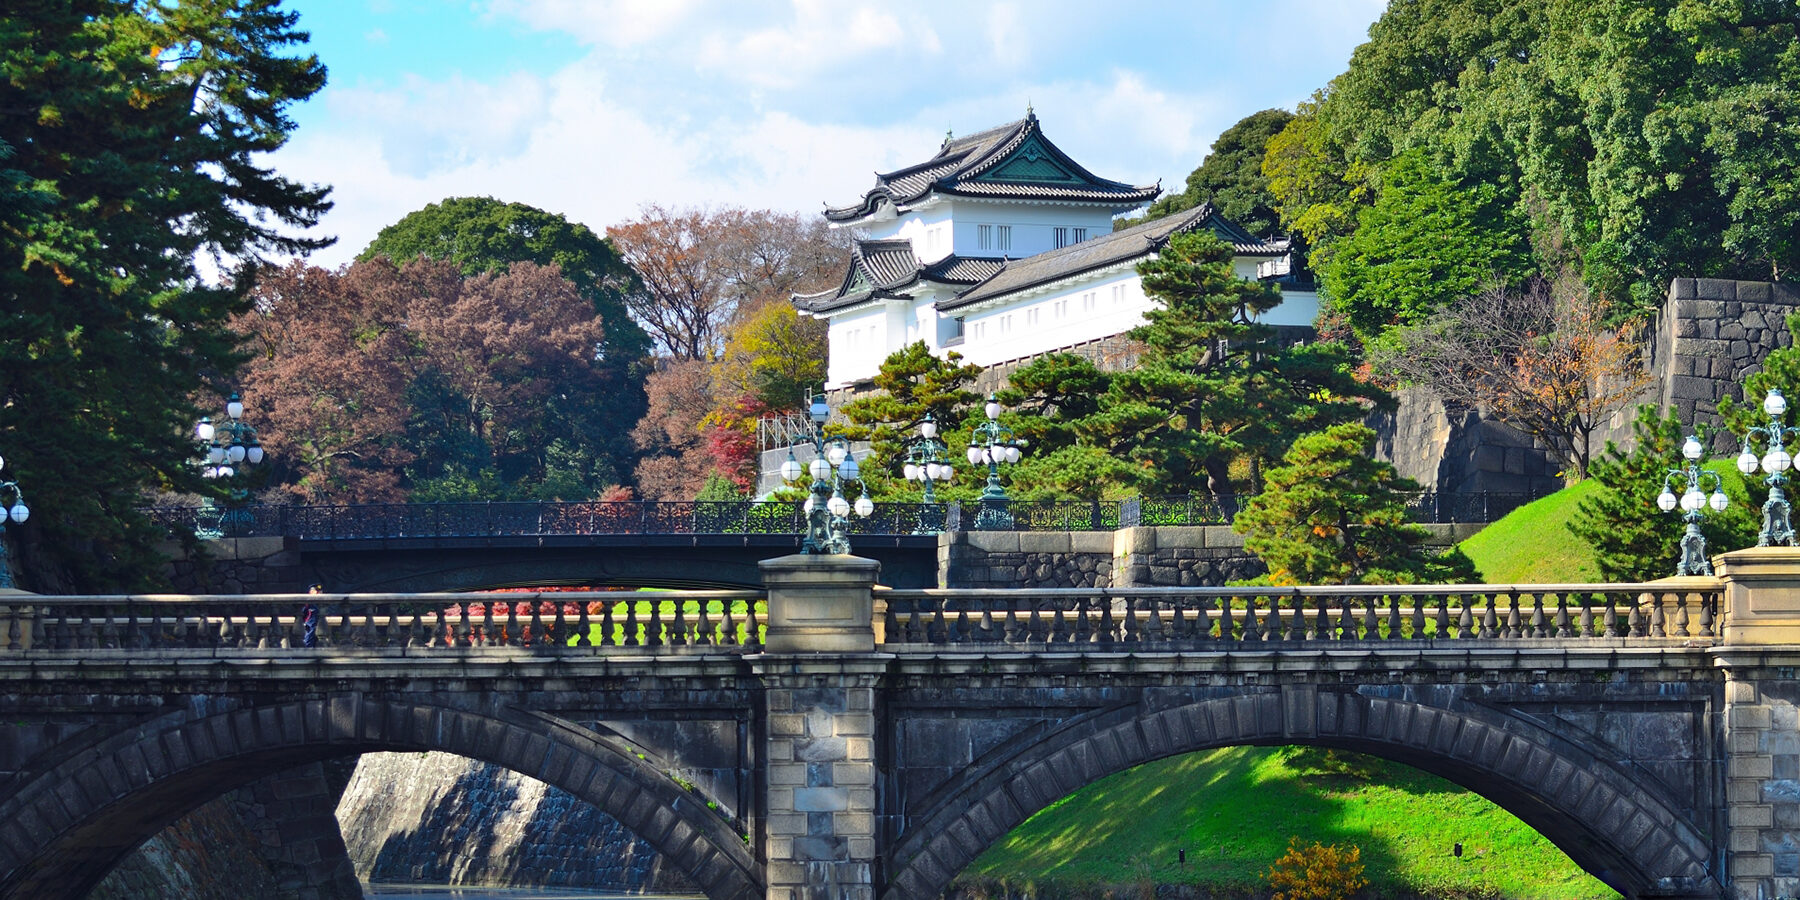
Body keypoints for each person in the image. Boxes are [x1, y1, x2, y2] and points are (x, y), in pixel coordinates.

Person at [302, 584, 321, 648]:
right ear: (311, 592)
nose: (319, 593)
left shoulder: (320, 604)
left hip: (318, 627)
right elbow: (302, 613)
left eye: (320, 592)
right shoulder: (308, 603)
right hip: (309, 627)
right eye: (316, 591)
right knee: (307, 643)